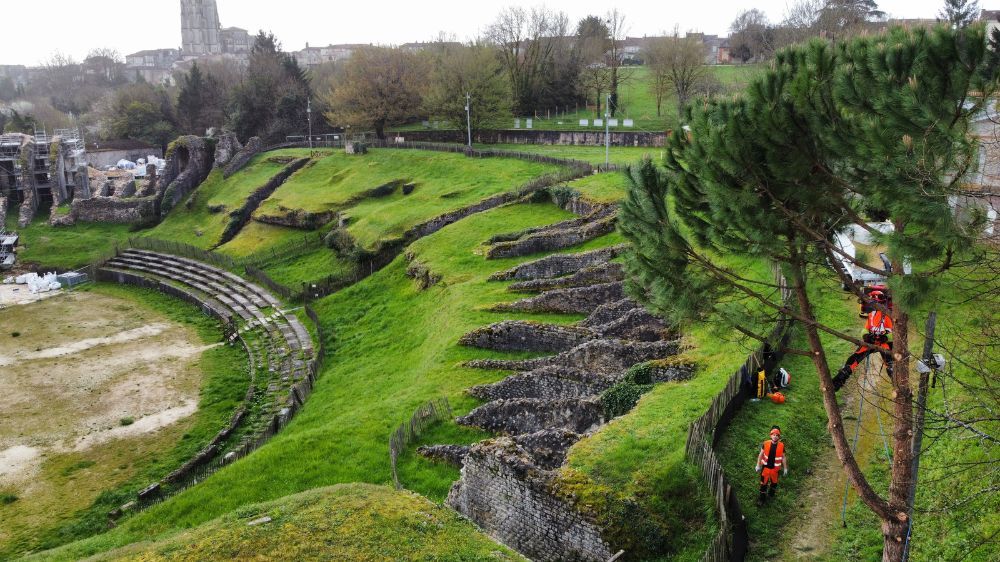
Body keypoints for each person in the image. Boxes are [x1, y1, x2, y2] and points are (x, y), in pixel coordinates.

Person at [833, 289, 894, 391]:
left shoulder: (888, 314)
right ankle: (838, 381)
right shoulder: (871, 314)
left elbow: (894, 332)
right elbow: (866, 328)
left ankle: (898, 386)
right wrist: (866, 335)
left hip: (885, 343)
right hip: (872, 341)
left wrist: (886, 337)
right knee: (854, 358)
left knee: (891, 365)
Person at [755, 427, 788, 505]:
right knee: (763, 484)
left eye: (777, 435)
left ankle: (771, 495)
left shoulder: (781, 445)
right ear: (771, 435)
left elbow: (783, 457)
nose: (775, 436)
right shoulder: (766, 443)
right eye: (773, 434)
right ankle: (761, 499)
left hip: (775, 470)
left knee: (774, 483)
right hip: (765, 469)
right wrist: (758, 465)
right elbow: (761, 455)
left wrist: (785, 468)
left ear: (779, 437)